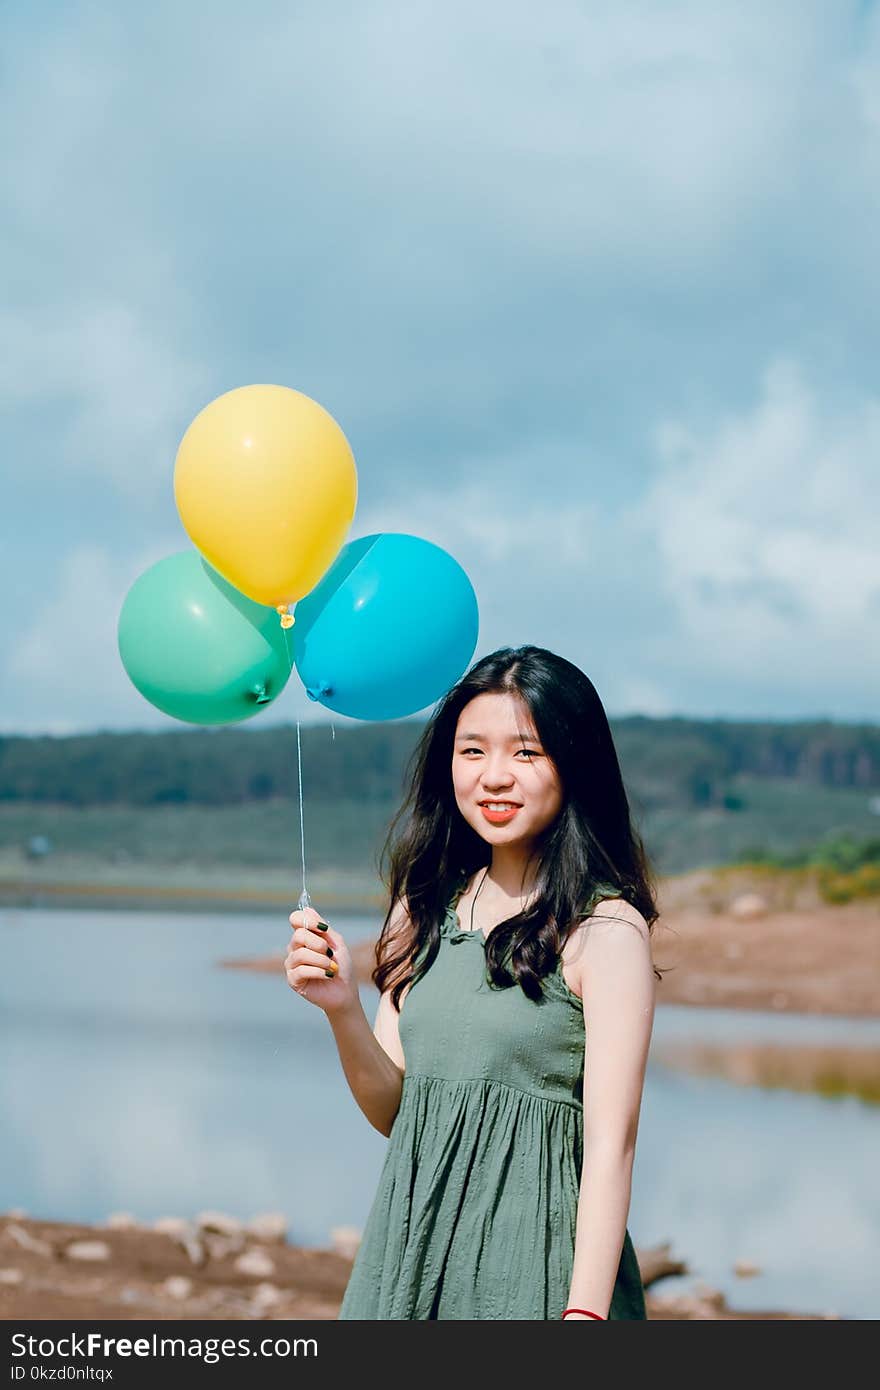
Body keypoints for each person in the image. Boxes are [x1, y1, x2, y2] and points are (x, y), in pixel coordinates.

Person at [285, 645, 660, 1320]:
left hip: (537, 1270)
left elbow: (613, 1144)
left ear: (573, 767)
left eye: (526, 753)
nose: (494, 778)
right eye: (471, 751)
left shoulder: (606, 932)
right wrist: (340, 1009)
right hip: (410, 1257)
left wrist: (584, 1315)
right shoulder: (420, 907)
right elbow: (395, 1114)